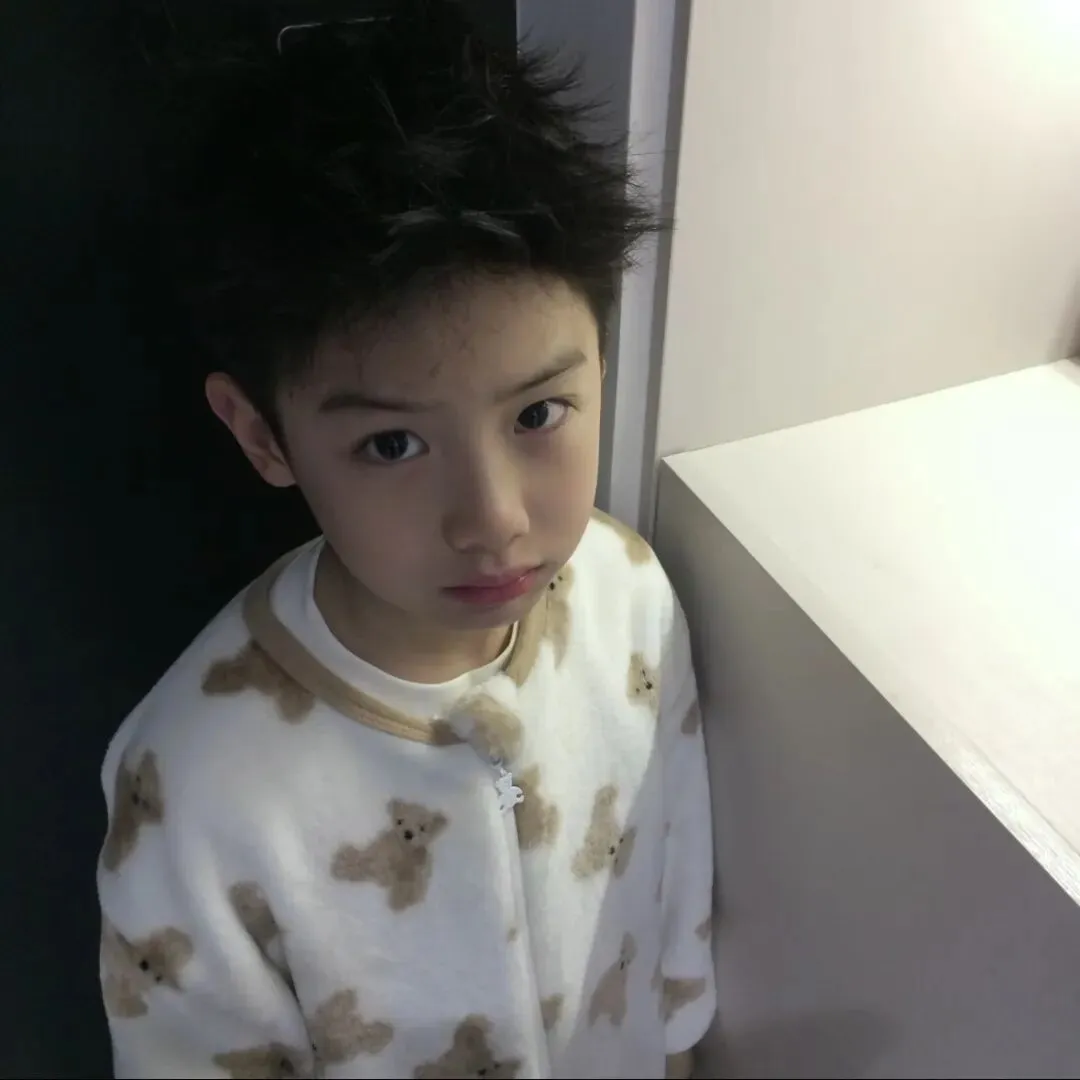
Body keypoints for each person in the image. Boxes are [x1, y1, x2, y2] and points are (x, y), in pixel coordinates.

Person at [96, 2, 715, 1076]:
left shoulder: (630, 594)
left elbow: (673, 876)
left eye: (538, 414)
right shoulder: (195, 784)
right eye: (391, 445)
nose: (495, 519)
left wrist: (683, 1041)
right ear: (263, 435)